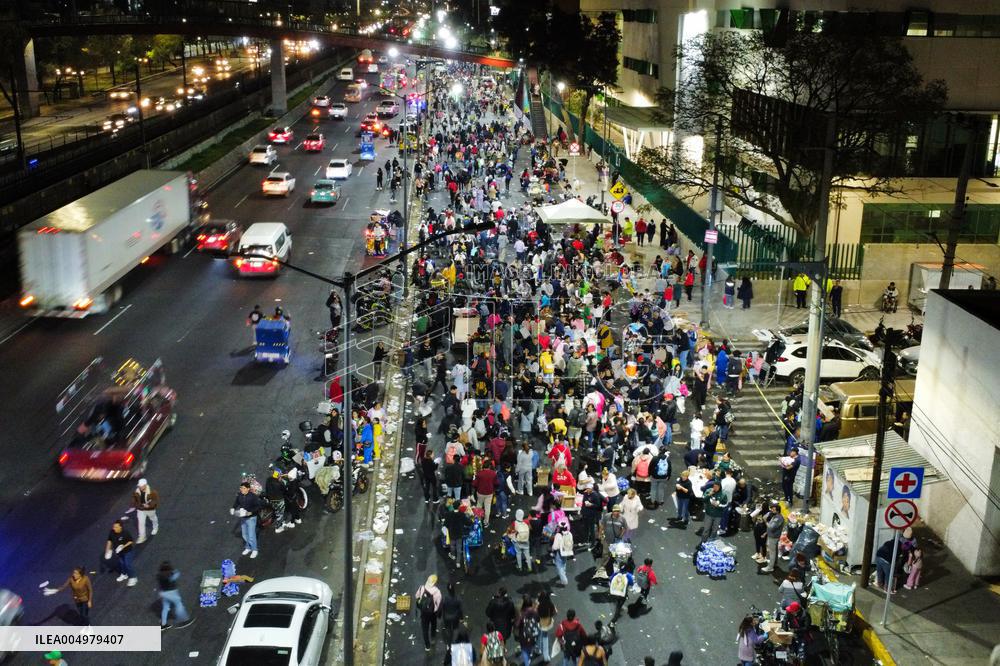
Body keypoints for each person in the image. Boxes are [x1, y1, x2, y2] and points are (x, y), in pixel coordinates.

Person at [231, 481, 264, 558]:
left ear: (248, 489)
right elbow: (236, 502)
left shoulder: (253, 496)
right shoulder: (240, 495)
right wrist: (233, 508)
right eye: (241, 488)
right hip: (243, 518)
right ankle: (248, 547)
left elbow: (258, 506)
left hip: (251, 518)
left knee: (251, 535)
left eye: (243, 488)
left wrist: (251, 512)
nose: (242, 489)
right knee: (244, 534)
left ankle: (255, 550)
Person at [157, 561, 193, 630]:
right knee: (179, 605)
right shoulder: (170, 575)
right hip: (171, 593)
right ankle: (183, 620)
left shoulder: (159, 575)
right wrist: (175, 571)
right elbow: (176, 575)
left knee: (165, 608)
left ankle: (163, 624)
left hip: (163, 593)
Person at [104, 520, 137, 586]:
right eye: (114, 526)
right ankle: (124, 574)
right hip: (119, 552)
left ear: (120, 527)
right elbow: (109, 541)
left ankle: (133, 577)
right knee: (122, 563)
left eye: (116, 527)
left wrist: (123, 546)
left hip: (128, 551)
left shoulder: (125, 533)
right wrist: (107, 550)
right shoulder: (112, 532)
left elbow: (131, 541)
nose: (114, 528)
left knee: (127, 564)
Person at [416, 574, 443, 651]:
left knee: (425, 629)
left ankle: (427, 646)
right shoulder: (437, 592)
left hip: (424, 612)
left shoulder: (422, 588)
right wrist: (439, 613)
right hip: (433, 613)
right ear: (435, 583)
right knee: (433, 625)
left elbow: (417, 596)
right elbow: (439, 604)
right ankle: (433, 639)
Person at [485, 587, 517, 652]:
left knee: (496, 638)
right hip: (506, 625)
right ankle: (503, 648)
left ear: (498, 593)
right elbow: (513, 615)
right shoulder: (510, 602)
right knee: (503, 638)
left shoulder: (493, 602)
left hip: (495, 625)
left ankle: (497, 651)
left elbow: (487, 613)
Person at [515, 595, 541, 666]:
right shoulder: (535, 612)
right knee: (530, 648)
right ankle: (530, 656)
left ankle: (527, 663)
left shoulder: (522, 613)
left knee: (524, 650)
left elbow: (517, 625)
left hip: (523, 636)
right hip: (533, 635)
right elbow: (538, 620)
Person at [132, 478, 159, 544]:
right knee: (141, 523)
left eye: (141, 486)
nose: (140, 487)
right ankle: (142, 537)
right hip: (141, 509)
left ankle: (155, 526)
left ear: (145, 485)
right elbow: (134, 500)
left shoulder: (152, 492)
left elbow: (155, 501)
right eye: (139, 486)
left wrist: (149, 505)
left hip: (149, 509)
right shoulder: (137, 491)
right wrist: (138, 506)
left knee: (153, 518)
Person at [760, 501, 785, 573]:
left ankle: (770, 567)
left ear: (777, 510)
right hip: (772, 536)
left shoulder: (778, 518)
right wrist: (765, 533)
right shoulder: (775, 516)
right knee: (774, 551)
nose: (772, 510)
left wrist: (765, 521)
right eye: (771, 509)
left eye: (773, 509)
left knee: (772, 552)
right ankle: (774, 563)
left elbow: (771, 527)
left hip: (774, 537)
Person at [536, 591, 557, 662]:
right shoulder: (550, 604)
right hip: (547, 623)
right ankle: (546, 656)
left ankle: (538, 649)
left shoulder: (538, 604)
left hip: (539, 622)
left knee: (538, 635)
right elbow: (555, 612)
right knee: (545, 638)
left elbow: (536, 612)